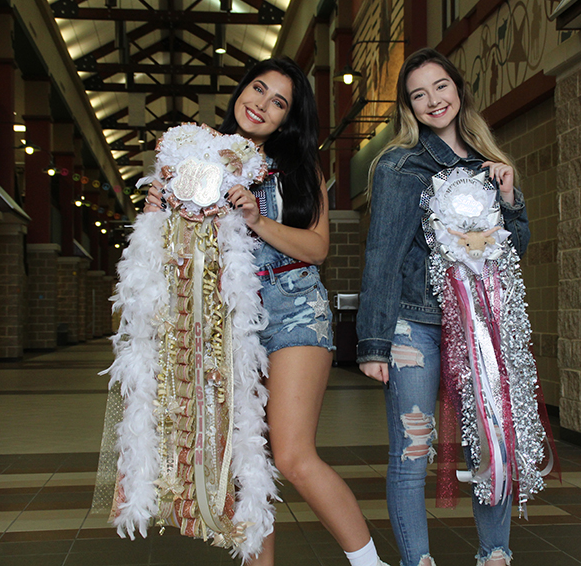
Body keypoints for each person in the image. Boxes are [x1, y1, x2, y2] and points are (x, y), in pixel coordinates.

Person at [146, 57, 388, 566]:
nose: (261, 105)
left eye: (279, 102)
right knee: (245, 464)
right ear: (241, 91)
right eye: (258, 90)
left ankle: (371, 564)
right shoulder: (195, 158)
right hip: (226, 319)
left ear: (287, 119)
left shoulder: (301, 170)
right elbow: (173, 250)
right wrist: (156, 214)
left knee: (293, 456)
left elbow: (318, 249)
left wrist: (255, 218)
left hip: (295, 307)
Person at [356, 48, 531, 566]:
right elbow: (382, 256)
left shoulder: (487, 163)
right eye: (418, 94)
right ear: (409, 108)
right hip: (415, 326)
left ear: (459, 89)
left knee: (489, 445)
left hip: (480, 325)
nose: (433, 100)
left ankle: (495, 555)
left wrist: (510, 195)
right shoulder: (399, 165)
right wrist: (373, 343)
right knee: (412, 453)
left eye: (440, 86)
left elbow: (513, 250)